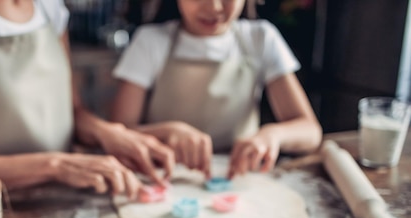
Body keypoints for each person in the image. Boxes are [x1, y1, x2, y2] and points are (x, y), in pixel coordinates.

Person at [0, 0, 174, 199]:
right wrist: (56, 166)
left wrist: (107, 133)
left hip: (56, 201)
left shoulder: (49, 6)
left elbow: (71, 110)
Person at [110, 0, 322, 179]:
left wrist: (272, 135)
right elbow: (117, 134)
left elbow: (310, 131)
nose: (214, 7)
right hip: (166, 178)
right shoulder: (150, 42)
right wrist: (166, 133)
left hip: (239, 180)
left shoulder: (261, 38)